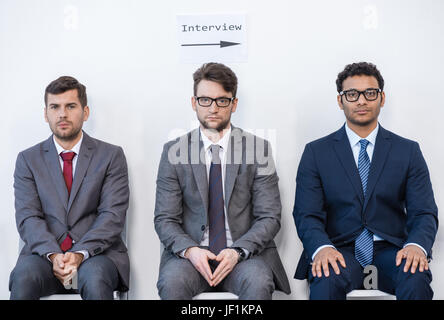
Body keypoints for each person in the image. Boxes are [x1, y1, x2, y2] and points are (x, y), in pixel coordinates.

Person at [293, 62, 438, 300]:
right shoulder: (316, 153)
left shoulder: (408, 151)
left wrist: (416, 246)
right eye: (352, 94)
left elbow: (424, 212)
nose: (361, 101)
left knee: (415, 276)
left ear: (381, 98)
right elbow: (306, 214)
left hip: (392, 252)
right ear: (341, 101)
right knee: (326, 277)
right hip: (339, 250)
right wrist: (322, 248)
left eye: (370, 93)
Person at [154, 62, 290, 299]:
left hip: (243, 258)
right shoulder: (173, 151)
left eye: (222, 100)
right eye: (205, 100)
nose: (213, 108)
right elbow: (165, 219)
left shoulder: (258, 149)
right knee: (171, 282)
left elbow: (269, 216)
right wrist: (192, 251)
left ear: (234, 104)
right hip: (191, 258)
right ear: (194, 102)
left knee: (259, 282)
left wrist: (238, 251)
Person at [9, 76, 130, 300]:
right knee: (23, 277)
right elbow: (28, 217)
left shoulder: (111, 156)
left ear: (85, 112)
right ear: (46, 114)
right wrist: (54, 254)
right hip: (44, 257)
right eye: (55, 107)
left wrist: (78, 254)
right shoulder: (28, 160)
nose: (62, 114)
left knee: (95, 279)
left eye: (70, 106)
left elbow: (112, 216)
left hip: (96, 256)